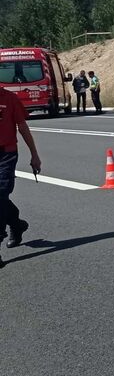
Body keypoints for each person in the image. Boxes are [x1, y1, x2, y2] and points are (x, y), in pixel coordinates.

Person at [0, 86, 41, 269]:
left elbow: (22, 126)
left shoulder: (9, 98)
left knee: (0, 195)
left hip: (6, 154)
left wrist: (34, 154)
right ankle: (16, 224)